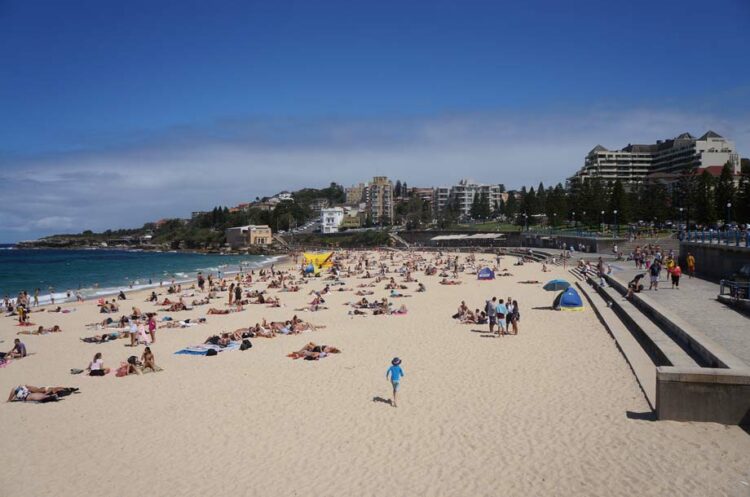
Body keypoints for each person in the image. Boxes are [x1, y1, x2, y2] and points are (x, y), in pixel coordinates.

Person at [8, 385, 79, 403]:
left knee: (37, 394)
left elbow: (10, 398)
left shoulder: (14, 390)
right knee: (51, 389)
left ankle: (51, 396)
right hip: (28, 394)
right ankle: (69, 389)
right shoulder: (23, 388)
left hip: (27, 395)